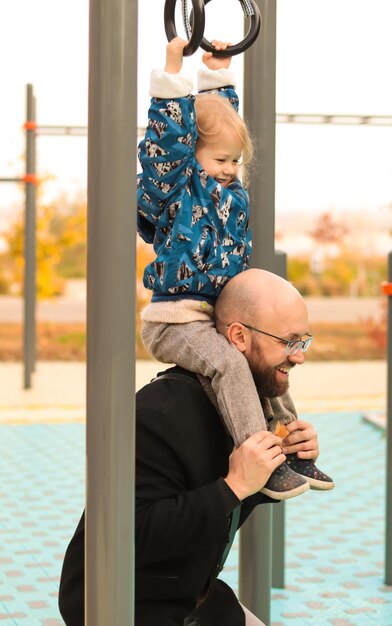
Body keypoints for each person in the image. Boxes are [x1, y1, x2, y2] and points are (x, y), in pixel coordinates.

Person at [58, 269, 327, 626]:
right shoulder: (159, 413)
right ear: (238, 336)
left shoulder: (241, 409)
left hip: (188, 595)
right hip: (121, 605)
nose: (299, 356)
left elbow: (219, 501)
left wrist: (280, 463)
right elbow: (128, 537)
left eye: (302, 341)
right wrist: (236, 484)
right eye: (288, 342)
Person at [136, 37, 333, 500]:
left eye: (235, 161)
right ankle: (259, 454)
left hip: (217, 316)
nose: (228, 170)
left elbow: (221, 121)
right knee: (230, 362)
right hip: (176, 321)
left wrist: (217, 73)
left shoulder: (229, 188)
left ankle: (289, 446)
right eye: (219, 161)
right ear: (192, 160)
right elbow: (168, 144)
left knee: (269, 361)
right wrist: (174, 76)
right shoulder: (179, 189)